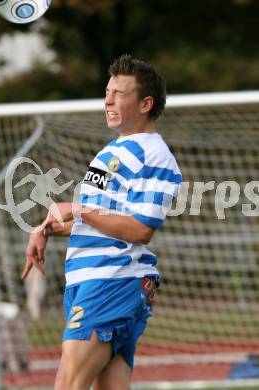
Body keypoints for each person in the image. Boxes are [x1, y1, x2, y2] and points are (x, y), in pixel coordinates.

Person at [21, 54, 182, 390]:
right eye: (107, 92)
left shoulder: (155, 155)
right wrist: (46, 229)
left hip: (113, 281)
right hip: (92, 280)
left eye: (119, 93)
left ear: (145, 104)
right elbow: (100, 222)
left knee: (67, 383)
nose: (108, 100)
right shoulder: (115, 150)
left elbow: (141, 229)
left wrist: (78, 209)